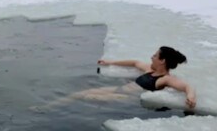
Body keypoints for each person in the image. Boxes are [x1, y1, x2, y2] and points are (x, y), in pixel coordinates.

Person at [34, 46, 197, 111]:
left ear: (162, 61)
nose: (151, 57)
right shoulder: (150, 69)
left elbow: (185, 86)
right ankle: (46, 107)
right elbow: (134, 62)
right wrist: (110, 62)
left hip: (127, 98)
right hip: (119, 90)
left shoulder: (165, 79)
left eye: (155, 56)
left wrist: (190, 96)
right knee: (81, 93)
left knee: (89, 97)